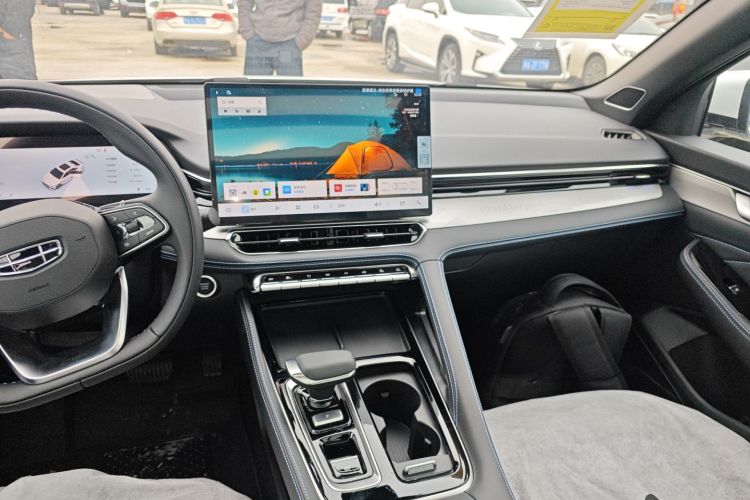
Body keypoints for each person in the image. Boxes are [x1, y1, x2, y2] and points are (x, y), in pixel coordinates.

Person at [237, 0, 323, 77]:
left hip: (290, 44)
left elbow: (314, 10)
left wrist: (303, 39)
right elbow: (243, 4)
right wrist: (248, 32)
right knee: (255, 88)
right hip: (257, 42)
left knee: (289, 89)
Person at [0, 0, 37, 80]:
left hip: (13, 50)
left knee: (21, 83)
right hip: (12, 45)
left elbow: (16, 22)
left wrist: (5, 34)